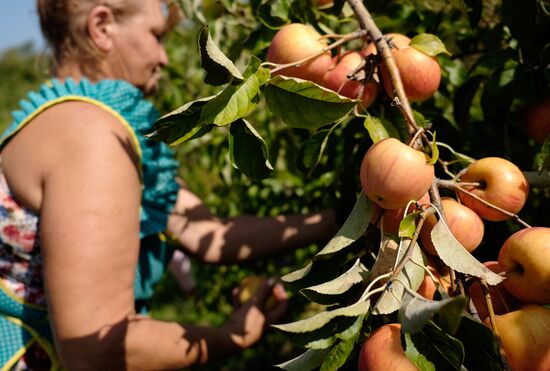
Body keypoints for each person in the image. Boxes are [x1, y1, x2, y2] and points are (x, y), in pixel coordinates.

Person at [0, 0, 338, 369]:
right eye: (155, 35)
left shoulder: (64, 122)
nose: (164, 57)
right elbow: (97, 348)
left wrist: (337, 221)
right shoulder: (91, 137)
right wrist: (229, 337)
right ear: (102, 27)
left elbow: (206, 233)